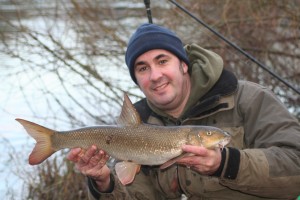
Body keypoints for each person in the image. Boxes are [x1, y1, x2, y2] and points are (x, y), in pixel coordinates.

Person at [67, 23, 300, 199]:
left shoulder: (250, 99)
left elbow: (295, 164)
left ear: (184, 64)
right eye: (143, 68)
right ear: (137, 80)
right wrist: (104, 183)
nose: (155, 75)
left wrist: (225, 164)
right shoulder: (138, 125)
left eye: (162, 61)